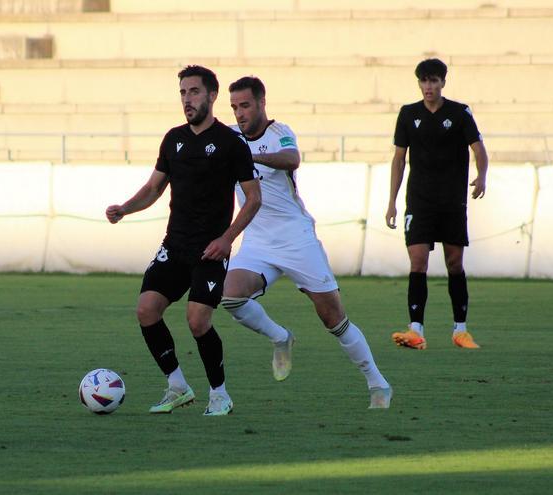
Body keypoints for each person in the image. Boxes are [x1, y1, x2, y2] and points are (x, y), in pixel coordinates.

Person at [221, 76, 392, 409]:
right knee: (229, 293)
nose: (239, 113)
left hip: (296, 238)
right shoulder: (228, 137)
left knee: (333, 319)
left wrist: (249, 158)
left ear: (261, 103)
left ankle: (378, 383)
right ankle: (280, 337)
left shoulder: (278, 131)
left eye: (245, 105)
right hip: (257, 239)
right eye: (234, 107)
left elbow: (291, 158)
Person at [106, 65, 261, 416]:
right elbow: (153, 188)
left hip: (210, 249)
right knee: (146, 310)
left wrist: (226, 239)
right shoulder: (173, 139)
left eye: (193, 92)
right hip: (174, 246)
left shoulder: (230, 143)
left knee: (197, 320)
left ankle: (219, 394)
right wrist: (125, 209)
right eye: (182, 93)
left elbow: (254, 199)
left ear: (211, 95)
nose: (187, 100)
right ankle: (177, 385)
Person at [386, 58, 488, 350]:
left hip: (451, 199)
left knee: (454, 263)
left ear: (443, 82)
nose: (428, 87)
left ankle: (460, 330)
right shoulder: (408, 114)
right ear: (418, 83)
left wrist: (482, 176)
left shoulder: (459, 112)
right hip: (419, 200)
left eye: (433, 81)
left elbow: (479, 149)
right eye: (424, 81)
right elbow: (398, 159)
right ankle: (415, 330)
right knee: (418, 261)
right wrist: (392, 202)